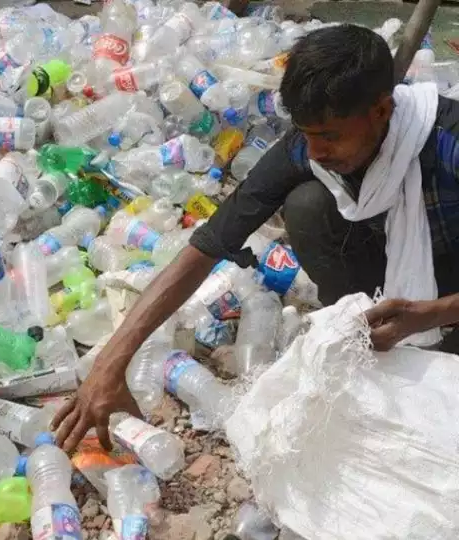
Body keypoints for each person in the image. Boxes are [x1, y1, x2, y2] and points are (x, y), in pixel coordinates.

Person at [51, 23, 459, 452]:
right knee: (307, 206)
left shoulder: (447, 141)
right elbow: (207, 246)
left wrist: (434, 314)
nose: (316, 152)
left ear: (381, 110)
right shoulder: (308, 146)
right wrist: (110, 364)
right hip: (399, 285)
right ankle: (369, 335)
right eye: (307, 134)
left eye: (331, 136)